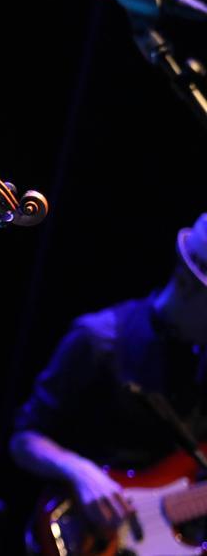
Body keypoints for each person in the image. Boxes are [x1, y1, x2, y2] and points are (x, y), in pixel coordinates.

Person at [11, 212, 207, 540]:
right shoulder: (100, 338)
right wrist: (79, 470)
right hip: (90, 537)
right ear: (187, 286)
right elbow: (24, 439)